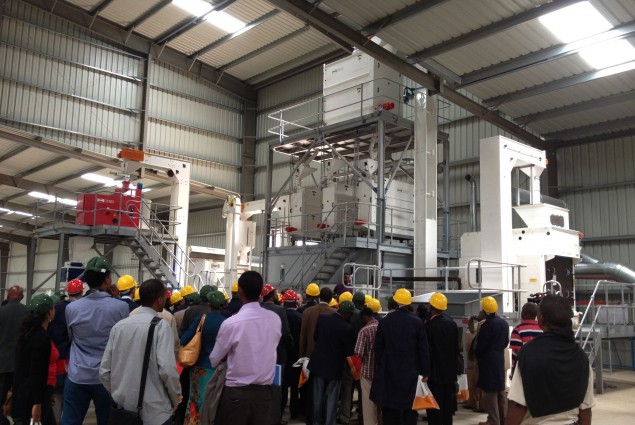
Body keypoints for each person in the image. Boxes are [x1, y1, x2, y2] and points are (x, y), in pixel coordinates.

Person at [100, 279, 181, 425]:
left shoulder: (119, 327)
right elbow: (168, 370)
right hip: (156, 413)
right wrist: (176, 398)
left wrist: (118, 393)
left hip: (123, 412)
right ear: (160, 299)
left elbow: (104, 371)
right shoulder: (161, 327)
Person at [506, 294, 594, 425]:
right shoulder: (581, 357)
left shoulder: (529, 354)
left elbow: (517, 406)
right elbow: (585, 410)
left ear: (540, 319)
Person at [62, 257, 129, 425]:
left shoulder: (71, 308)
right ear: (107, 280)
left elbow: (71, 337)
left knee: (70, 421)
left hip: (77, 374)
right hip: (107, 377)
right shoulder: (121, 307)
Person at [210, 271, 281, 425]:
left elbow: (214, 359)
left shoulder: (231, 323)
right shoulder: (275, 320)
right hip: (265, 395)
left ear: (240, 292)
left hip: (236, 395)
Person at [371, 288, 429, 425]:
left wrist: (381, 364)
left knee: (390, 406)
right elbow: (423, 349)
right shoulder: (417, 322)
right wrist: (425, 371)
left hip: (390, 370)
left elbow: (378, 348)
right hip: (411, 370)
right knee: (410, 406)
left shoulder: (385, 322)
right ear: (409, 303)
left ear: (396, 302)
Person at [179, 291, 226, 425]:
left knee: (195, 401)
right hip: (218, 370)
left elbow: (184, 339)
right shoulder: (226, 322)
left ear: (209, 304)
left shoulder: (201, 319)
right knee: (214, 402)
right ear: (223, 304)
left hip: (199, 368)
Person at [10, 294, 56, 425]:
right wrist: (38, 403)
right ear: (49, 312)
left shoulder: (25, 333)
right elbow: (38, 373)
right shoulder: (42, 338)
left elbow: (20, 368)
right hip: (33, 398)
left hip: (22, 394)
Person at [308, 300, 356, 425]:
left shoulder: (323, 319)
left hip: (318, 364)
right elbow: (348, 351)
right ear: (347, 314)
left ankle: (316, 421)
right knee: (332, 398)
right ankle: (329, 422)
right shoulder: (347, 328)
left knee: (317, 398)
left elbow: (316, 337)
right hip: (335, 368)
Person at [47, 279, 84, 424]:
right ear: (81, 292)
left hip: (58, 362)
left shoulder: (59, 308)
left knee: (57, 399)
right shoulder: (80, 308)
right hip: (75, 364)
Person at [299, 287, 336, 425]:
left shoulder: (307, 312)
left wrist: (301, 356)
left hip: (309, 356)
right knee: (326, 392)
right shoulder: (334, 313)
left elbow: (303, 336)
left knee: (310, 391)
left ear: (319, 296)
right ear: (331, 298)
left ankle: (311, 418)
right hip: (328, 358)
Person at [425, 293, 459, 425]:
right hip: (450, 373)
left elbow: (428, 351)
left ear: (431, 306)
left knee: (435, 407)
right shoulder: (452, 324)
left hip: (435, 373)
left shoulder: (429, 326)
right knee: (447, 407)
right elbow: (456, 349)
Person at [261, 284, 292, 425]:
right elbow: (285, 334)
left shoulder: (258, 309)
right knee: (276, 390)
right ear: (272, 295)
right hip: (278, 357)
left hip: (260, 357)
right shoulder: (280, 310)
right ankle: (275, 420)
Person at [474, 297, 509, 425]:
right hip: (499, 359)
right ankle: (503, 419)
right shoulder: (503, 323)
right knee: (500, 390)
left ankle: (493, 420)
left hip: (488, 361)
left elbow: (481, 345)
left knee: (489, 392)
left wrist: (477, 353)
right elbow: (506, 342)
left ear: (485, 311)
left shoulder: (487, 325)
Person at [0, 285, 30, 414]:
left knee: (1, 393)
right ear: (22, 297)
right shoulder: (28, 312)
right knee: (20, 395)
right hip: (21, 362)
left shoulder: (1, 311)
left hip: (2, 362)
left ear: (8, 296)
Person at [355, 307, 381, 425]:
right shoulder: (382, 326)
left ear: (365, 317)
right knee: (381, 400)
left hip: (367, 372)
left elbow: (358, 352)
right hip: (381, 371)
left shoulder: (364, 331)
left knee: (368, 403)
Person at [282, 290, 302, 420]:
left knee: (283, 385)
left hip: (283, 355)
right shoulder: (300, 317)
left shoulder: (280, 316)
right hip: (296, 356)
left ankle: (282, 410)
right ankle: (294, 412)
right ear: (295, 302)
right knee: (295, 386)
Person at [509, 302, 542, 377]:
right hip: (541, 369)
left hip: (522, 371)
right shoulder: (542, 328)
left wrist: (513, 373)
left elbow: (517, 353)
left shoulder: (517, 330)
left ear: (523, 313)